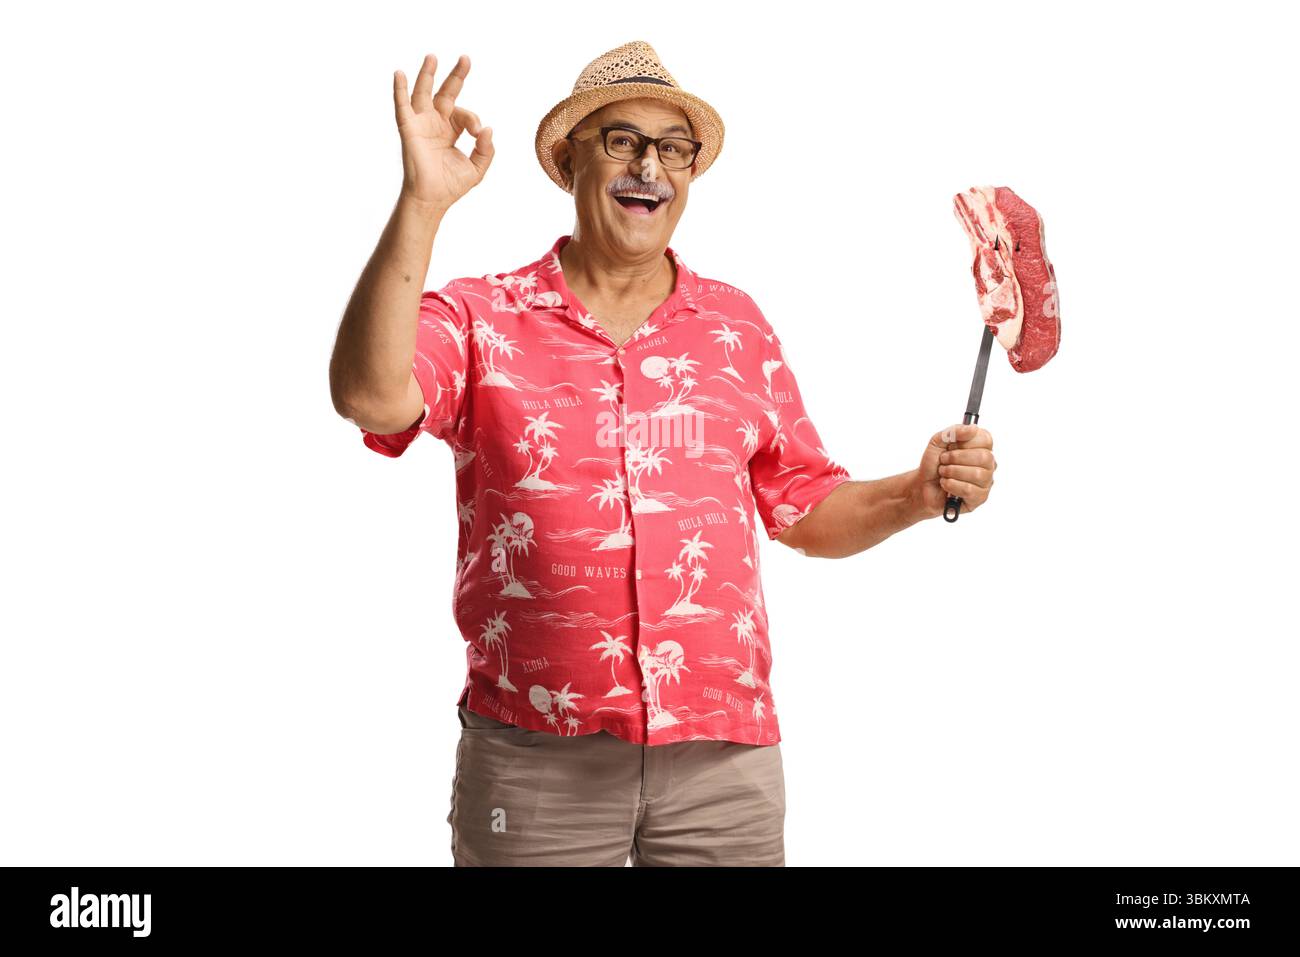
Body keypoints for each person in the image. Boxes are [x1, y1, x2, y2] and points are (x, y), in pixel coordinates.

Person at [328, 40, 996, 867]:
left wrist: (914, 492)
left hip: (725, 767)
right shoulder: (479, 318)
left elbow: (803, 503)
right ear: (569, 161)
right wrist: (422, 206)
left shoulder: (734, 327)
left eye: (672, 149)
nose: (650, 165)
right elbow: (368, 394)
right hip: (536, 761)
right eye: (622, 141)